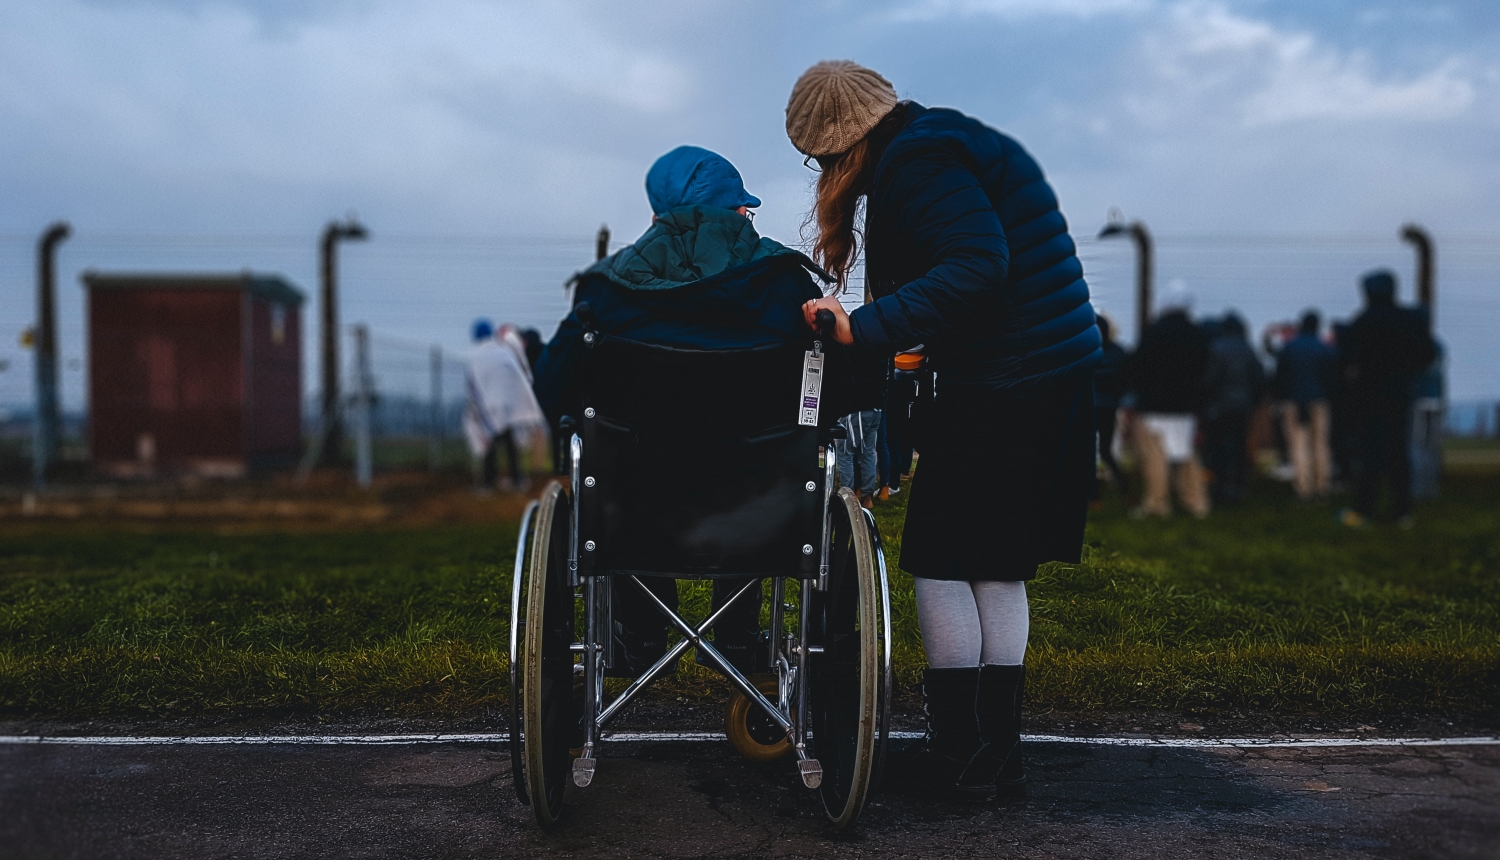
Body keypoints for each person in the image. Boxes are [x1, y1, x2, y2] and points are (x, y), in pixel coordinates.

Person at [788, 60, 1101, 798]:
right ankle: (996, 753)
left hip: (1008, 381)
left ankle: (958, 748)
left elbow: (977, 263)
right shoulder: (945, 140)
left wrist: (863, 326)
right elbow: (985, 267)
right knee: (993, 562)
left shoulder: (919, 162)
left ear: (843, 145)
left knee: (939, 557)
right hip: (1042, 373)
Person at [532, 145, 834, 677]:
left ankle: (642, 635)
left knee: (623, 473)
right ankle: (738, 638)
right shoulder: (787, 286)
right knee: (754, 467)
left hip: (632, 511)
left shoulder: (605, 291)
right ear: (739, 213)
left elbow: (554, 388)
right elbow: (839, 389)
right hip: (759, 511)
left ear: (656, 216)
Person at [1339, 271, 1436, 526]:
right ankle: (1402, 511)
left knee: (1370, 453)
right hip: (1401, 394)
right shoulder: (1409, 321)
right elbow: (1428, 353)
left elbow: (1346, 358)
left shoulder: (1362, 321)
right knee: (1398, 453)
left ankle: (1364, 510)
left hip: (1369, 395)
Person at [1126, 287, 1211, 518]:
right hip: (1185, 407)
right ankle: (1196, 502)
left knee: (1155, 457)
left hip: (1154, 406)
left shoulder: (1153, 333)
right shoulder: (1198, 334)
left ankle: (1157, 503)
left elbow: (1137, 367)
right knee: (1186, 455)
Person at [465, 319, 545, 492]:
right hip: (508, 406)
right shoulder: (503, 352)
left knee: (490, 446)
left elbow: (473, 385)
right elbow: (519, 376)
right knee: (509, 444)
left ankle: (488, 483)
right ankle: (517, 481)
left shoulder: (474, 356)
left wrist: (476, 409)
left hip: (488, 407)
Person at [1202, 312, 1265, 506]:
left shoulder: (1216, 348)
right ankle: (1238, 487)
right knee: (1239, 448)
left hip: (1220, 408)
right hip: (1243, 407)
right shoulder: (1249, 349)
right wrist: (1253, 402)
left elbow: (1210, 380)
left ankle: (1220, 489)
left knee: (1220, 448)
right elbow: (1259, 379)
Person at [1273, 311, 1335, 500]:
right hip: (1319, 400)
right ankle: (1321, 485)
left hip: (1294, 401)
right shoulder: (1324, 348)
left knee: (1298, 445)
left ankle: (1303, 488)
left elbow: (1281, 375)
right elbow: (1331, 376)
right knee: (1321, 444)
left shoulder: (1289, 347)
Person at [1091, 315, 1129, 502]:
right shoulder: (1118, 352)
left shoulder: (1086, 350)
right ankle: (1125, 489)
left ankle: (1094, 495)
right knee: (1106, 450)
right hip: (1110, 407)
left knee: (1087, 451)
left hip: (1089, 407)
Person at [836, 408, 881, 508]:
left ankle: (847, 498)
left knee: (845, 453)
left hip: (857, 409)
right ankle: (867, 497)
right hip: (876, 408)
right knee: (868, 453)